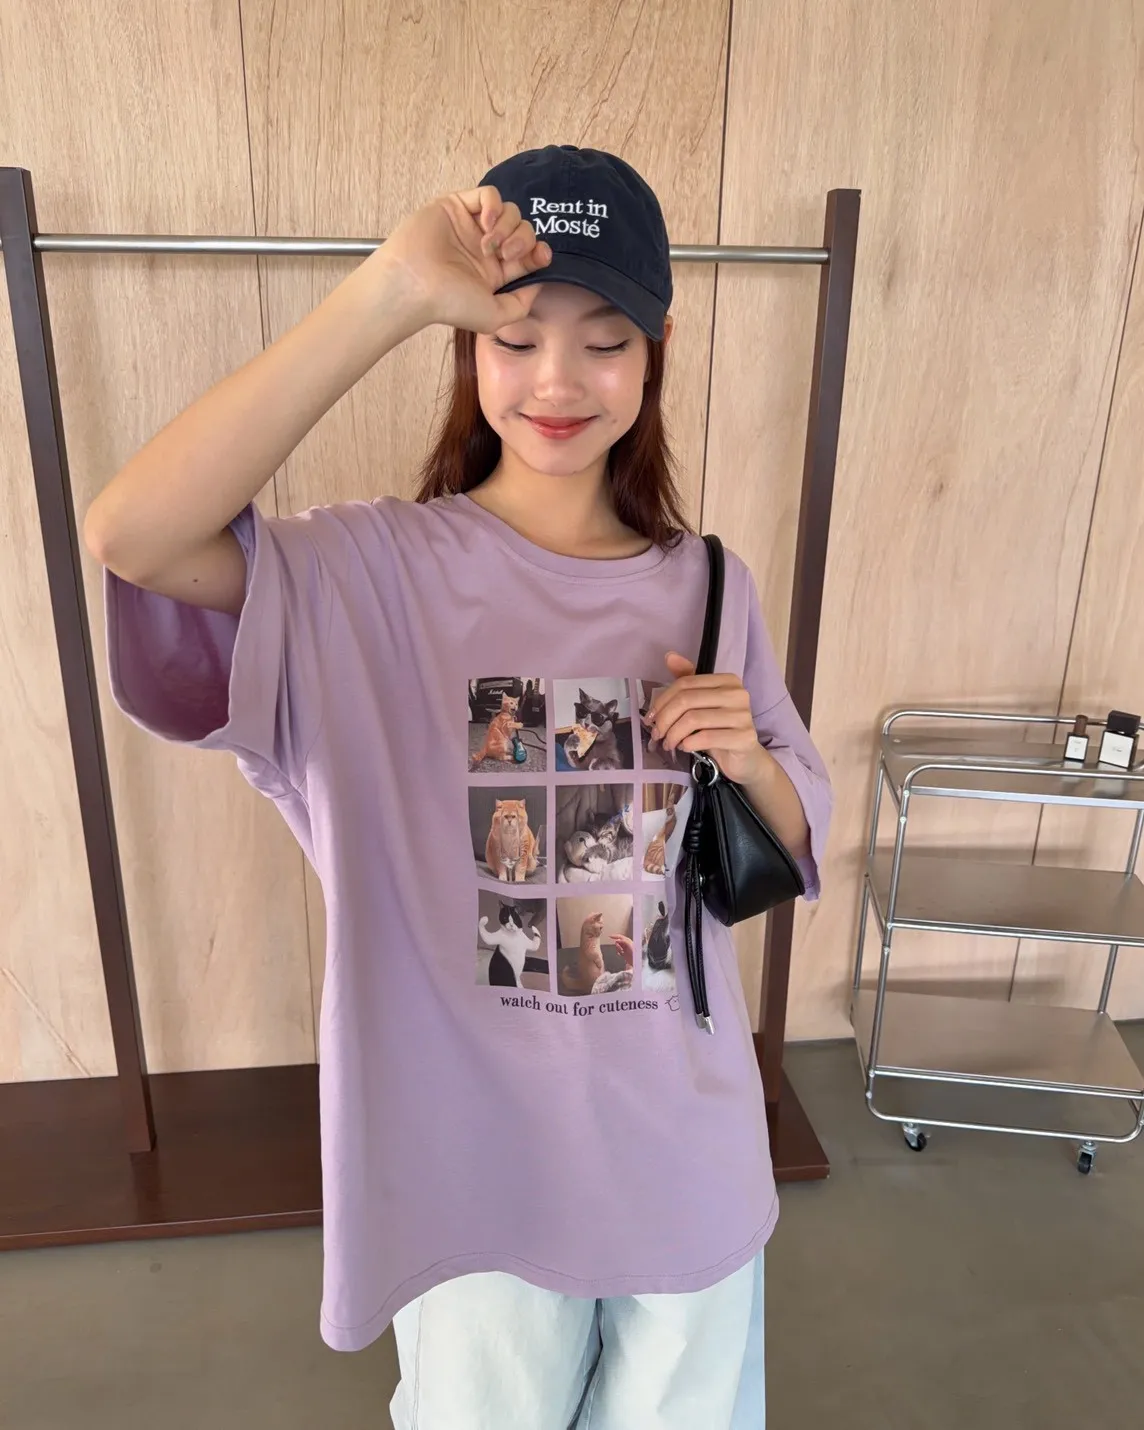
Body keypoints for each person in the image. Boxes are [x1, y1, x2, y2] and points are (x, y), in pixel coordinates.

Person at [85, 143, 832, 1429]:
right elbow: (133, 535)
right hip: (476, 1163)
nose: (557, 381)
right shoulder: (370, 576)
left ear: (654, 354)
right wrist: (386, 287)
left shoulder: (711, 582)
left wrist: (752, 758)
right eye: (516, 337)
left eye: (605, 341)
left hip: (686, 1145)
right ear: (466, 347)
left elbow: (786, 843)